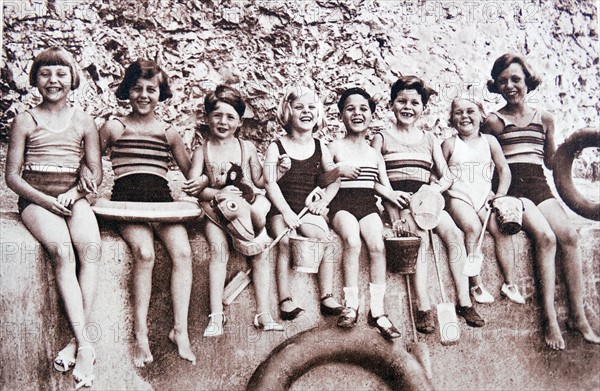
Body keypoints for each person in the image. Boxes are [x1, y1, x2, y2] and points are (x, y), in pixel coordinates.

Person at [483, 53, 600, 349]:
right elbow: (487, 163)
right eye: (503, 81)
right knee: (546, 239)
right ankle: (549, 318)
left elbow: (549, 162)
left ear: (527, 82)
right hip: (512, 190)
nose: (510, 86)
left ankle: (578, 315)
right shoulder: (494, 122)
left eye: (516, 79)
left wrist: (570, 150)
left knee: (570, 236)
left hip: (538, 184)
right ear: (496, 86)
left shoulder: (545, 118)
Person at [5, 46, 102, 389]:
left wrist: (76, 194)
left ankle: (78, 343)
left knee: (90, 249)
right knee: (62, 252)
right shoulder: (25, 120)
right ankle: (87, 344)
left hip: (71, 198)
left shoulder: (84, 121)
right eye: (45, 73)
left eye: (61, 73)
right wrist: (45, 200)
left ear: (72, 79)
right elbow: (12, 177)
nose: (53, 80)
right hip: (36, 199)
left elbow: (94, 173)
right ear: (35, 79)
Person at [99, 59, 196, 366]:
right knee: (145, 253)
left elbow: (192, 173)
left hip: (163, 202)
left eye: (151, 89)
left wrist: (214, 178)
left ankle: (179, 330)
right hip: (127, 204)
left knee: (182, 253)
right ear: (126, 91)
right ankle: (141, 334)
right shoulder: (115, 126)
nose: (143, 95)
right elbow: (90, 162)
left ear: (161, 93)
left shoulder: (170, 132)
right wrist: (88, 181)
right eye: (137, 88)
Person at [371, 76, 484, 333]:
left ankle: (464, 301)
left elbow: (447, 175)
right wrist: (389, 194)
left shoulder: (429, 139)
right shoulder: (382, 138)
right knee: (420, 236)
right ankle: (423, 306)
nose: (407, 107)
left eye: (414, 102)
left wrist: (432, 190)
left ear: (423, 108)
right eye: (402, 101)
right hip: (399, 202)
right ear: (391, 104)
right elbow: (372, 178)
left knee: (454, 234)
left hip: (428, 200)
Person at [182, 84, 284, 336]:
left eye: (230, 117)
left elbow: (260, 181)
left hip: (245, 212)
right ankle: (216, 314)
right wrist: (216, 192)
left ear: (239, 122)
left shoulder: (246, 148)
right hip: (215, 213)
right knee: (217, 250)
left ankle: (263, 312)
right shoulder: (201, 150)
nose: (223, 121)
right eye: (217, 115)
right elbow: (193, 187)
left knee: (260, 253)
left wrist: (278, 171)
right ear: (207, 118)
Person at [263, 86, 343, 321]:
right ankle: (285, 299)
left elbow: (334, 179)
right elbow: (269, 182)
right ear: (288, 112)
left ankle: (327, 295)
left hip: (307, 208)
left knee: (325, 240)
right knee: (285, 241)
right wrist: (286, 213)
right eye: (299, 107)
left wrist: (324, 201)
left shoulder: (320, 147)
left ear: (318, 113)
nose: (306, 112)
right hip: (281, 209)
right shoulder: (275, 146)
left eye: (311, 107)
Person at [327, 87, 401, 339]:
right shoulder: (334, 146)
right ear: (340, 115)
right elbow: (322, 178)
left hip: (368, 205)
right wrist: (338, 170)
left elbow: (379, 185)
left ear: (371, 115)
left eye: (363, 109)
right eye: (350, 108)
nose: (357, 113)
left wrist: (393, 203)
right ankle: (351, 305)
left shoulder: (374, 153)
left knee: (377, 245)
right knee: (352, 239)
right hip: (341, 204)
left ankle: (378, 310)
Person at [441, 97, 525, 305]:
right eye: (458, 112)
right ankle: (475, 283)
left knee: (502, 229)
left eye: (470, 111)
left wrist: (500, 194)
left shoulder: (489, 141)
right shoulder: (450, 144)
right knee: (473, 228)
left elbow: (503, 169)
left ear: (481, 115)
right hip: (458, 197)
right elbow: (439, 173)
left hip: (483, 197)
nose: (464, 116)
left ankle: (509, 283)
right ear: (452, 119)